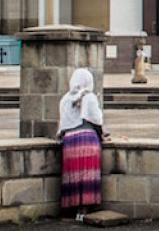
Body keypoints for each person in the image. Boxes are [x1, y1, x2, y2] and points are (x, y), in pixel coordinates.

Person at [56, 68, 106, 221]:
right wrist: (103, 135)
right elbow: (96, 120)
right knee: (87, 173)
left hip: (70, 141)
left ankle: (72, 209)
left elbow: (63, 124)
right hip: (87, 139)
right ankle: (85, 209)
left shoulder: (65, 99)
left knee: (73, 175)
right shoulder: (89, 97)